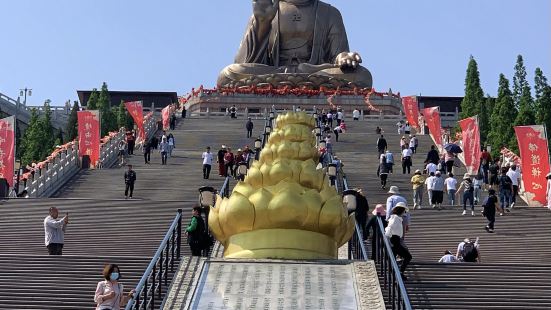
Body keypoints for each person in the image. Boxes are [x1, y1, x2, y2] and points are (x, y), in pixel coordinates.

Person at [385, 202, 412, 279]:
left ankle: (397, 274)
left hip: (395, 240)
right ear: (402, 210)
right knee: (408, 256)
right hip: (394, 240)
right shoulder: (396, 218)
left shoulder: (396, 218)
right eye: (404, 211)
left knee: (394, 259)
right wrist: (388, 237)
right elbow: (389, 227)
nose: (405, 212)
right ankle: (400, 273)